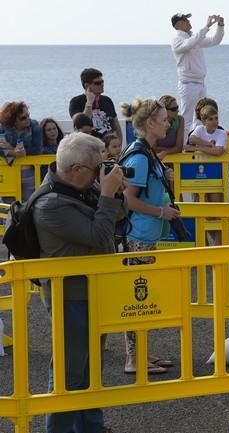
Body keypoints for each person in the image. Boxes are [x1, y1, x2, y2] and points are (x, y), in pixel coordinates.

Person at [33, 132, 128, 433]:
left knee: (92, 369)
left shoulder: (83, 189)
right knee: (68, 372)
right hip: (68, 297)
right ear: (76, 170)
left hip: (93, 292)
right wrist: (107, 196)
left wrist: (113, 193)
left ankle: (91, 428)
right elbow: (99, 236)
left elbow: (119, 217)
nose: (102, 172)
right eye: (97, 167)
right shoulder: (50, 204)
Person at [120, 98, 181, 375]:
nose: (168, 123)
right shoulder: (141, 156)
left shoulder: (146, 153)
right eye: (164, 119)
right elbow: (129, 199)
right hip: (138, 236)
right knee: (137, 300)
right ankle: (134, 359)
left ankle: (141, 352)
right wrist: (161, 212)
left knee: (141, 299)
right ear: (150, 124)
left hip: (144, 235)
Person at [171, 12, 225, 137]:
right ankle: (183, 147)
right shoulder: (177, 40)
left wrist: (220, 26)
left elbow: (215, 41)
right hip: (188, 84)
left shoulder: (194, 38)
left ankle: (195, 144)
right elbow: (188, 44)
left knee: (200, 118)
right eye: (185, 20)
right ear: (179, 24)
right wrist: (206, 27)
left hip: (200, 83)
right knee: (187, 118)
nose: (189, 22)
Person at [0, 101, 42, 200]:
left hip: (28, 171)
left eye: (28, 115)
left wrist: (9, 148)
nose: (27, 119)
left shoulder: (34, 125)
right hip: (8, 170)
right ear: (13, 119)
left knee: (31, 202)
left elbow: (37, 149)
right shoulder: (2, 127)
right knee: (9, 206)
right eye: (23, 118)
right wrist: (14, 152)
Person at [69, 68, 122, 140]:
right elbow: (81, 124)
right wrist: (89, 103)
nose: (102, 85)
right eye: (97, 83)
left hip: (107, 147)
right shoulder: (76, 101)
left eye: (102, 82)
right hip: (89, 145)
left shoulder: (107, 100)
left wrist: (117, 147)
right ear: (87, 85)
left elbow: (116, 128)